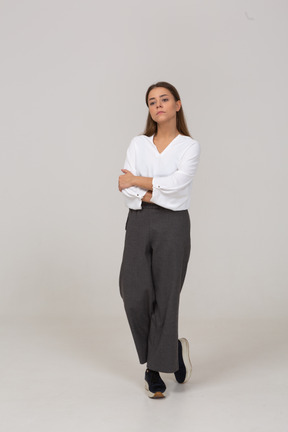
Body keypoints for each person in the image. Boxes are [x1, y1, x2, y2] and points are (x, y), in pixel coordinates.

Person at [118, 81, 200, 398]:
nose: (158, 105)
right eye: (152, 101)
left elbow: (179, 186)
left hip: (174, 225)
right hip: (139, 220)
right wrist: (152, 190)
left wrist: (140, 182)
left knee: (166, 296)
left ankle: (154, 369)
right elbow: (126, 189)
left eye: (164, 99)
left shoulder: (189, 147)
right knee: (133, 291)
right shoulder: (138, 144)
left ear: (177, 105)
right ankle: (173, 353)